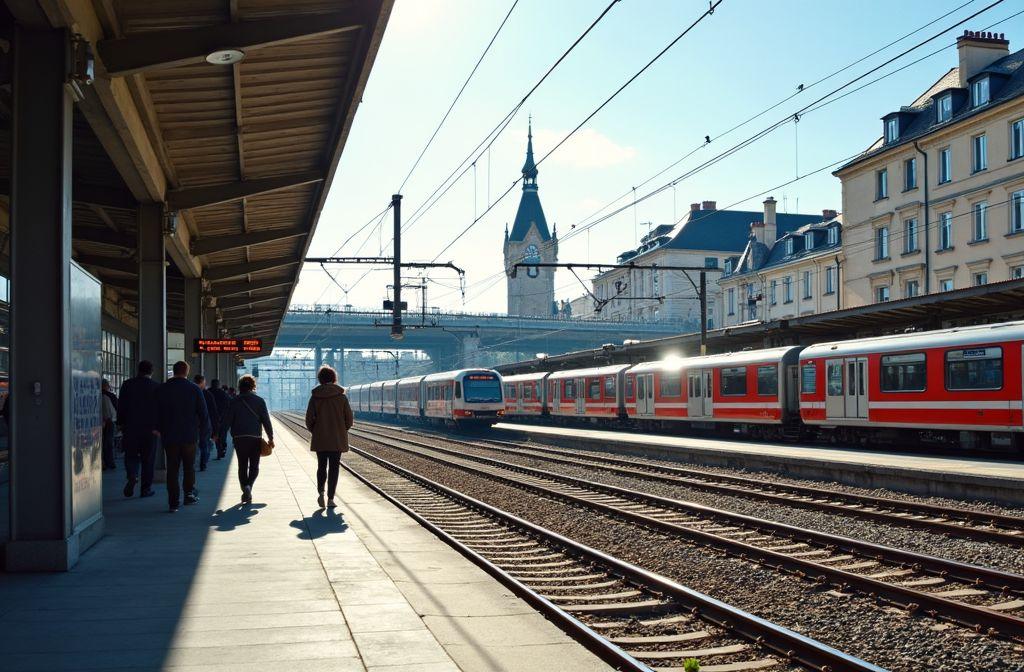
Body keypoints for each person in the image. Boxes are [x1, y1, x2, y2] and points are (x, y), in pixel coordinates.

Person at [156, 361, 210, 512]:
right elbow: (203, 414)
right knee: (189, 467)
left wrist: (157, 428)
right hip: (189, 436)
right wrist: (204, 434)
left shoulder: (162, 388)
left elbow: (155, 411)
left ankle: (173, 503)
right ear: (187, 372)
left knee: (172, 470)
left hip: (169, 436)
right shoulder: (194, 389)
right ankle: (188, 495)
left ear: (173, 371)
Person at [305, 365, 353, 509]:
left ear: (320, 379)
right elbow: (349, 420)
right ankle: (331, 499)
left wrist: (317, 431)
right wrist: (340, 430)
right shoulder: (342, 397)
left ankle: (321, 493)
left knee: (321, 466)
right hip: (337, 439)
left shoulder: (315, 397)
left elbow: (308, 419)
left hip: (321, 439)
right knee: (334, 468)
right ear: (334, 378)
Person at [220, 375, 273, 504]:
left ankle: (245, 488)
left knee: (242, 465)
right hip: (255, 438)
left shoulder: (234, 401)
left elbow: (227, 420)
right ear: (253, 386)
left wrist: (221, 437)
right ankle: (249, 486)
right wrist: (270, 437)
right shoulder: (260, 401)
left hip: (239, 438)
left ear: (240, 386)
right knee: (254, 466)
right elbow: (266, 421)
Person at [117, 361, 160, 498]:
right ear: (151, 372)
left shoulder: (127, 385)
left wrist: (121, 424)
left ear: (138, 370)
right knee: (148, 460)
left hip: (131, 428)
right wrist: (158, 427)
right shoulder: (156, 387)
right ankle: (145, 489)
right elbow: (160, 410)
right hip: (150, 430)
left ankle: (133, 475)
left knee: (130, 455)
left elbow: (121, 406)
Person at [192, 374, 217, 471]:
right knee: (204, 444)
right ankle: (203, 464)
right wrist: (216, 430)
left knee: (193, 444)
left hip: (193, 424)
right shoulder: (208, 395)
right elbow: (214, 412)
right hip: (205, 424)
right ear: (202, 382)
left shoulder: (190, 392)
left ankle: (192, 462)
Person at [209, 379, 230, 459]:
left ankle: (218, 449)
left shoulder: (208, 392)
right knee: (223, 435)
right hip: (223, 419)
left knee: (214, 435)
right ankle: (222, 449)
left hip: (212, 419)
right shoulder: (223, 394)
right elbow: (228, 406)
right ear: (218, 385)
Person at [101, 380, 118, 470]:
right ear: (107, 386)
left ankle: (103, 461)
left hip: (100, 422)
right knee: (109, 442)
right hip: (110, 422)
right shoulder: (111, 396)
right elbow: (117, 408)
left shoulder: (98, 395)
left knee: (102, 443)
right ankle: (110, 462)